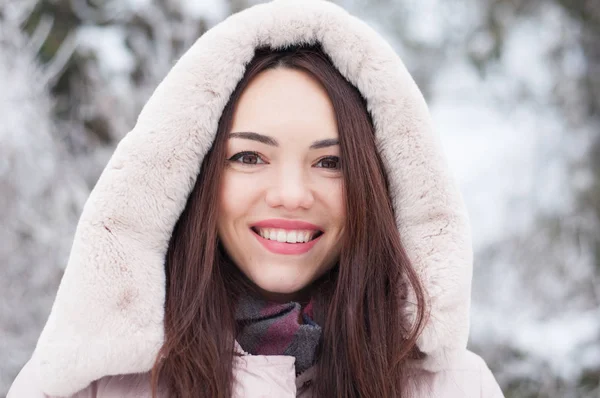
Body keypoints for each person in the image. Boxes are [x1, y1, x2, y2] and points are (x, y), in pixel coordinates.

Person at [7, 0, 505, 397]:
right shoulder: (89, 387)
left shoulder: (458, 387)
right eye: (249, 157)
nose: (291, 195)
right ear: (192, 175)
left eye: (330, 163)